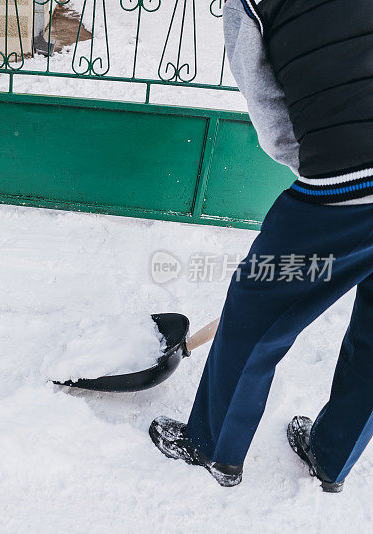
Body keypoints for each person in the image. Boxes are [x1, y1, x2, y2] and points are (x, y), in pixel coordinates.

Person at [149, 0, 373, 493]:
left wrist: (317, 171)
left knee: (255, 314)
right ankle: (332, 456)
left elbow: (267, 102)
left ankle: (212, 447)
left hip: (349, 185)